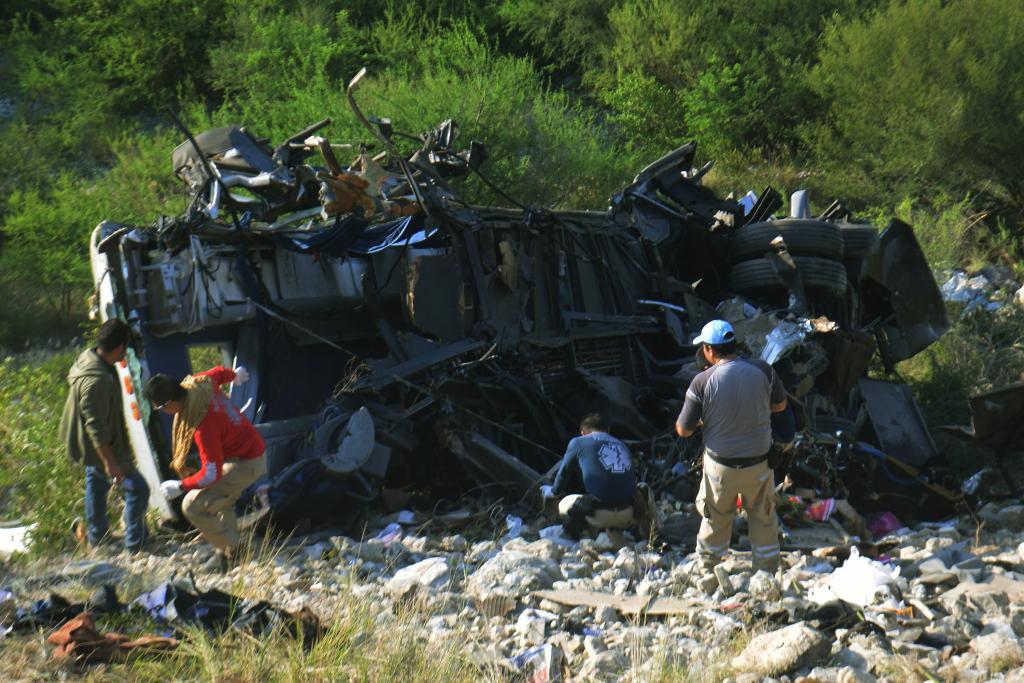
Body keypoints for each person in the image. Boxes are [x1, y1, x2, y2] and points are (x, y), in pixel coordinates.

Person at [676, 319, 787, 578]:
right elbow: (780, 406)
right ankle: (767, 574)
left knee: (716, 516)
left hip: (720, 467)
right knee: (763, 515)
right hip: (759, 464)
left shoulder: (701, 381)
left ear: (709, 350)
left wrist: (707, 418)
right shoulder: (764, 370)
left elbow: (683, 430)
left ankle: (708, 572)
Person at [143, 365, 265, 572]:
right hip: (249, 452)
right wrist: (234, 375)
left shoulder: (203, 425)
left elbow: (211, 474)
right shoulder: (197, 384)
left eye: (159, 408)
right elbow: (217, 373)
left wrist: (181, 486)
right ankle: (226, 553)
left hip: (245, 463)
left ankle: (236, 551)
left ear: (170, 403)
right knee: (220, 501)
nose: (162, 412)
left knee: (192, 506)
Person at [59, 319, 150, 552]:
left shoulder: (89, 359)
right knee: (138, 489)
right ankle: (135, 546)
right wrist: (111, 463)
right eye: (126, 348)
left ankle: (98, 538)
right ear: (120, 347)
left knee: (96, 482)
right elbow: (96, 427)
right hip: (100, 446)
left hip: (89, 444)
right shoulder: (97, 379)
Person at [544, 413, 648, 539]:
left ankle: (579, 532)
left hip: (599, 516)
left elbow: (563, 475)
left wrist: (552, 491)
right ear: (608, 430)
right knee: (641, 487)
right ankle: (648, 533)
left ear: (583, 433)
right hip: (629, 514)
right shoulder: (622, 445)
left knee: (563, 504)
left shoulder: (578, 442)